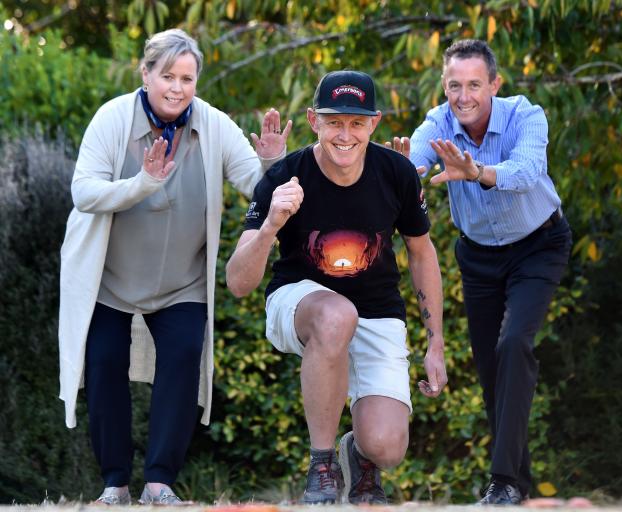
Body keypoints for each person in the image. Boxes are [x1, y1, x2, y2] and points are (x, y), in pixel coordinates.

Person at [58, 28, 290, 505]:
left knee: (183, 363)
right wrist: (142, 183)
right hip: (109, 281)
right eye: (167, 75)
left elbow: (256, 188)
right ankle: (115, 485)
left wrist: (272, 163)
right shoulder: (111, 120)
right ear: (145, 75)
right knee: (103, 368)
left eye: (187, 77)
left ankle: (160, 483)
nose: (177, 87)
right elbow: (83, 193)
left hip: (182, 282)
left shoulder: (212, 124)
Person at [225, 70, 447, 505]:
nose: (345, 134)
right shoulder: (285, 175)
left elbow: (423, 254)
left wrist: (434, 343)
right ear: (313, 121)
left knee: (387, 446)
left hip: (378, 310)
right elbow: (237, 282)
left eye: (356, 123)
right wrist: (271, 224)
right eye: (333, 121)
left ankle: (356, 456)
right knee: (336, 314)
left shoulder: (397, 173)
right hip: (301, 301)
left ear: (374, 124)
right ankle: (321, 465)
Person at [407, 39, 572, 505]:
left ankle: (501, 482)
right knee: (490, 369)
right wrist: (405, 170)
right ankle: (519, 483)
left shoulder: (525, 115)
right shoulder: (438, 123)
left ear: (494, 85)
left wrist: (476, 171)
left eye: (474, 85)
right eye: (454, 85)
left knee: (515, 343)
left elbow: (525, 171)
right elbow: (414, 162)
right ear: (444, 86)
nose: (464, 96)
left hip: (538, 246)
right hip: (478, 257)